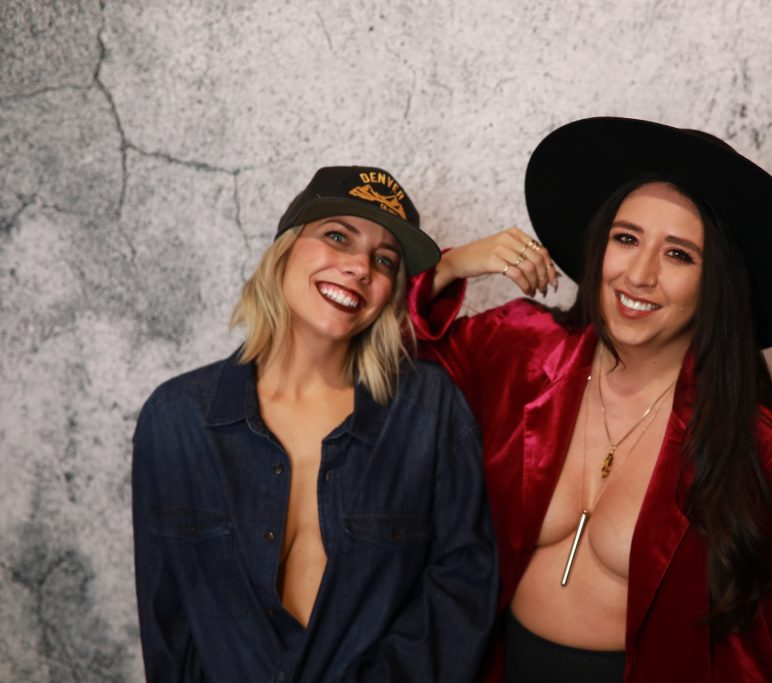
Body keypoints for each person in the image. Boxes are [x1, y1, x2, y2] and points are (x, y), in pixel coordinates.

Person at [407, 117, 772, 682]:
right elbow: (381, 378)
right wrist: (449, 268)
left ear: (715, 283)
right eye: (626, 239)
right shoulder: (520, 353)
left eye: (679, 255)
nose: (640, 274)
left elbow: (749, 655)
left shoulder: (751, 445)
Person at [132, 166, 498, 682]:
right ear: (285, 248)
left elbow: (460, 592)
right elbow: (167, 621)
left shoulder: (428, 411)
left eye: (384, 259)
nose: (359, 267)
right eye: (336, 236)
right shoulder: (178, 419)